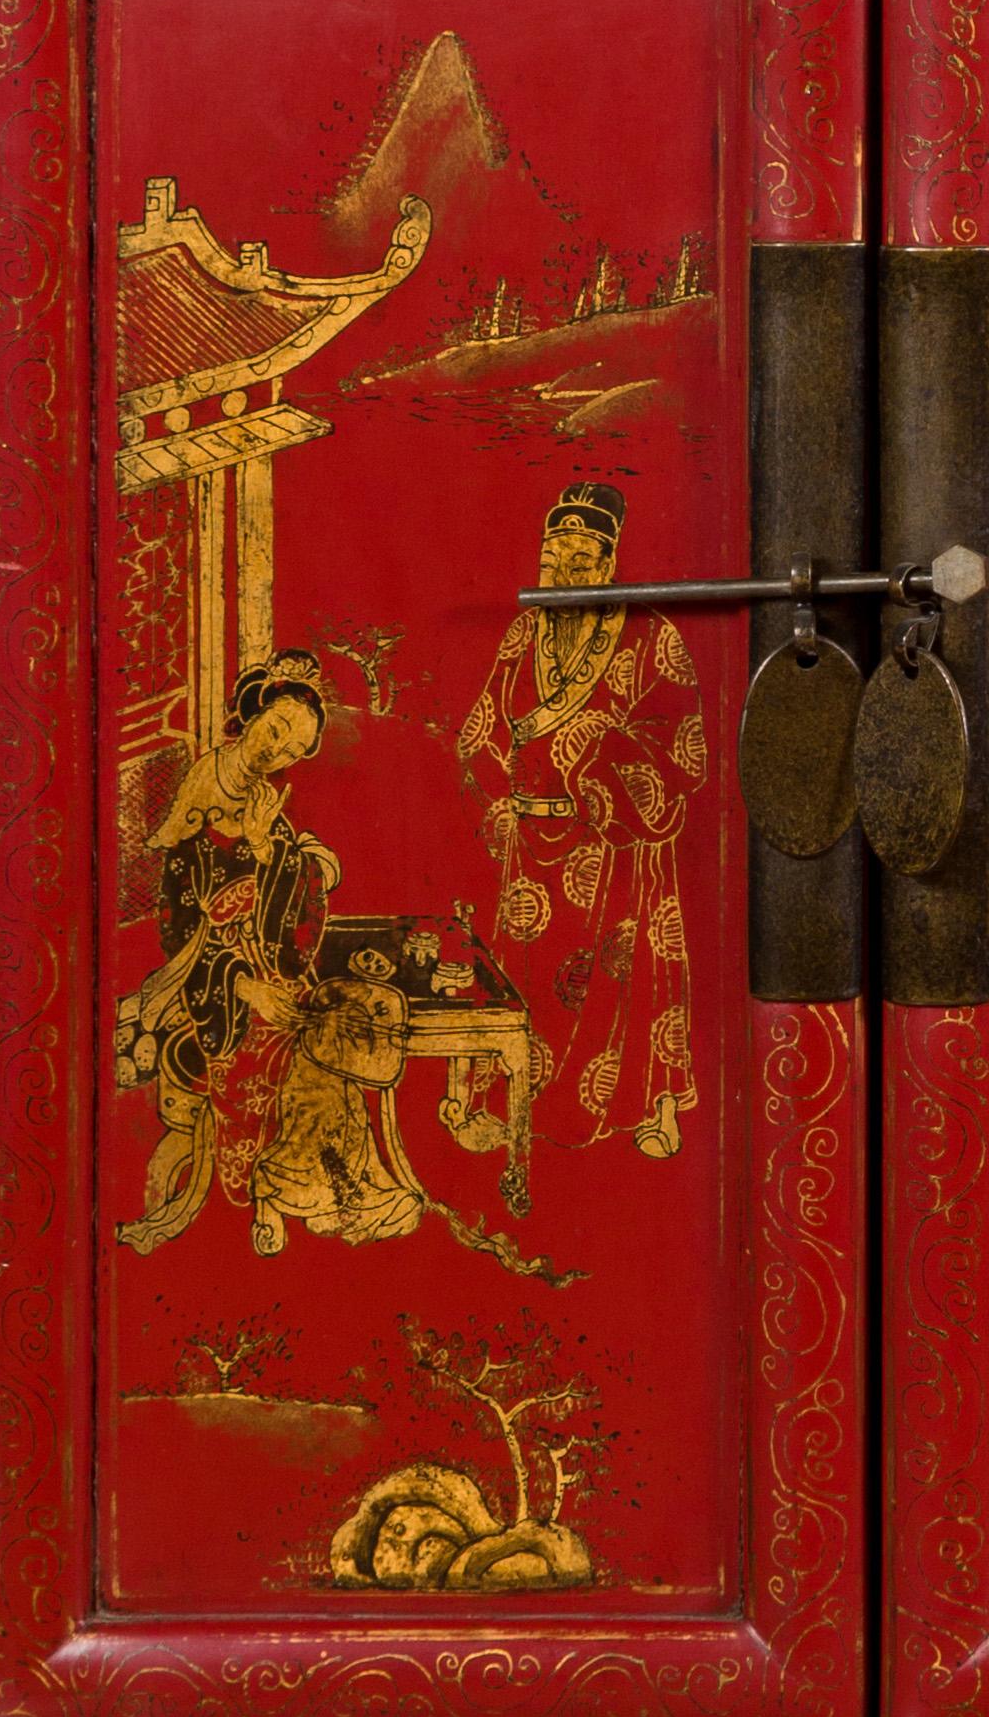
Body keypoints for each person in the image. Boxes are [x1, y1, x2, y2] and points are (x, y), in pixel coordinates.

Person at [455, 480, 705, 1158]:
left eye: (578, 561)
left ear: (607, 563)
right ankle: (504, 1108)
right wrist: (498, 804)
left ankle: (642, 1112)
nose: (561, 574)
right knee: (519, 981)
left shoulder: (653, 635)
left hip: (613, 850)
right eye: (551, 559)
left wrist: (608, 738)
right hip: (531, 850)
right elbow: (477, 732)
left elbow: (684, 755)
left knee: (620, 987)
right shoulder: (521, 631)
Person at [116, 649, 332, 1250]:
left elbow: (290, 910)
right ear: (253, 713)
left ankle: (324, 1186)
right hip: (209, 979)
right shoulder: (203, 791)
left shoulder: (266, 804)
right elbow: (180, 924)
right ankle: (259, 1194)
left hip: (264, 966)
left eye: (293, 749)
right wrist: (242, 984)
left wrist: (276, 854)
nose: (279, 750)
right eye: (277, 730)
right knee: (271, 1049)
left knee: (327, 1032)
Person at [252, 924, 449, 1255]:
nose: (373, 967)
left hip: (338, 1091)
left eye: (381, 965)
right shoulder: (325, 994)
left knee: (351, 1123)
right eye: (368, 959)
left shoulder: (366, 1000)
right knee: (311, 1132)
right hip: (305, 1084)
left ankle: (337, 1203)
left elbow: (379, 1065)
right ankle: (290, 1200)